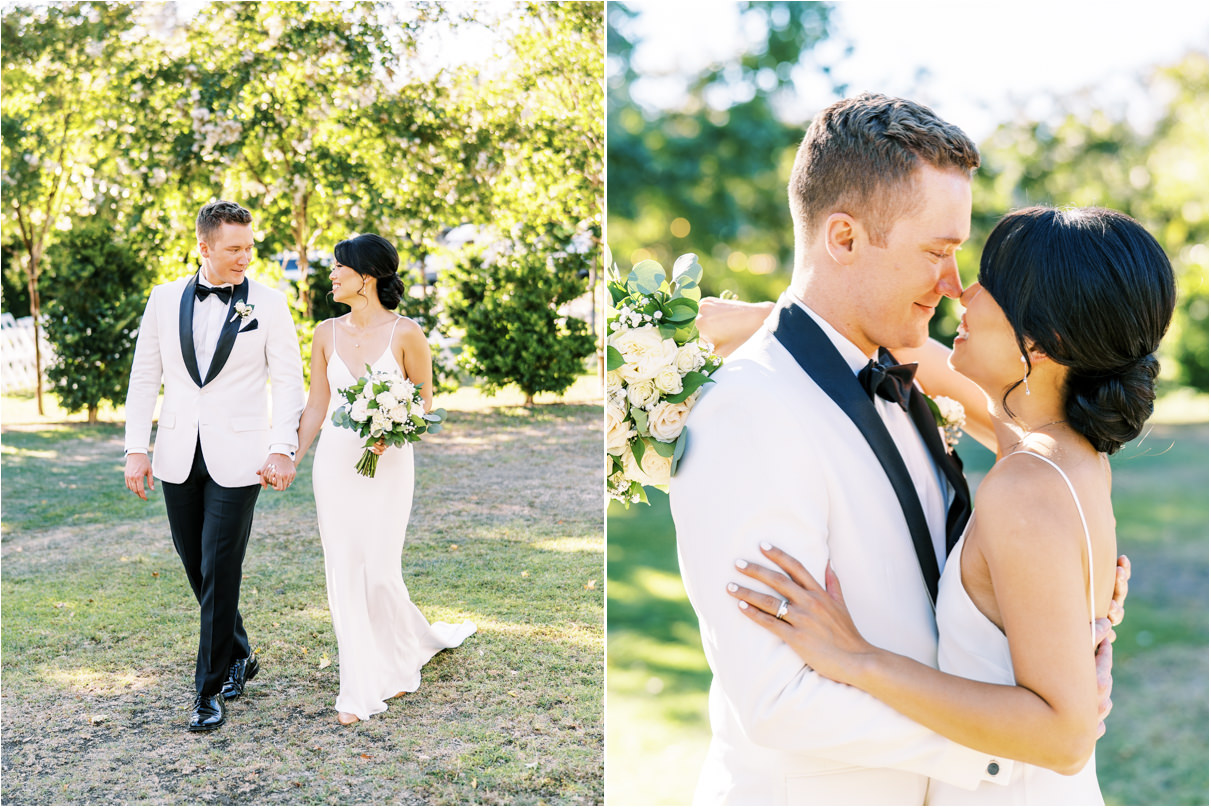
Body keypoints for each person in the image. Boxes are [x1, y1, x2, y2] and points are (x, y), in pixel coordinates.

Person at [667, 94, 1126, 805]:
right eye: (938, 253)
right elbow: (776, 697)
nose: (953, 285)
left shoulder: (905, 372)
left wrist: (1065, 603)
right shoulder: (750, 409)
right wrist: (1018, 747)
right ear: (843, 239)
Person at [726, 205, 1174, 804]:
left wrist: (857, 658)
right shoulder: (1066, 448)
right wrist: (766, 322)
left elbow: (1066, 736)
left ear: (1045, 341)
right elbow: (920, 364)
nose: (962, 291)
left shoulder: (1026, 487)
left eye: (989, 281)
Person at [124, 200, 305, 732]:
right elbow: (143, 378)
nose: (245, 257)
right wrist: (137, 447)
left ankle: (209, 690)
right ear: (204, 246)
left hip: (243, 458)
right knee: (197, 566)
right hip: (178, 453)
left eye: (250, 247)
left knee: (221, 565)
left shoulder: (269, 304)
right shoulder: (162, 299)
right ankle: (241, 653)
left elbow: (289, 382)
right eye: (233, 249)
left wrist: (282, 448)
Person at [291, 233, 476, 726]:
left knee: (379, 571)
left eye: (338, 268)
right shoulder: (324, 333)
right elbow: (316, 405)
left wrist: (391, 432)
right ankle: (359, 684)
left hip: (388, 464)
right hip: (334, 465)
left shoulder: (407, 333)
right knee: (344, 570)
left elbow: (424, 401)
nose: (330, 275)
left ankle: (406, 646)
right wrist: (292, 456)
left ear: (365, 278)